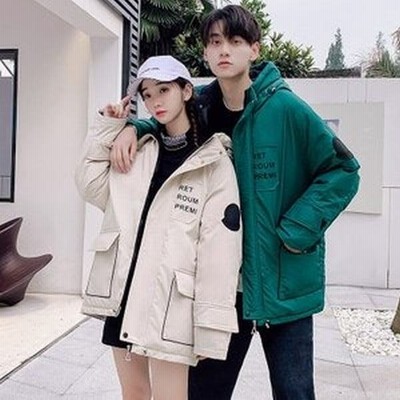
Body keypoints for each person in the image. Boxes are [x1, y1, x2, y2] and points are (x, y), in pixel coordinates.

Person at [109, 5, 361, 400]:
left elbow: (344, 169)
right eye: (214, 42)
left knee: (294, 392)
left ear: (254, 49)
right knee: (205, 393)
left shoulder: (285, 108)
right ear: (205, 53)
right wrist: (133, 127)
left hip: (282, 282)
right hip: (223, 290)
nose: (224, 50)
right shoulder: (201, 108)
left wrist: (296, 229)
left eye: (235, 41)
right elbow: (164, 121)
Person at [75, 55, 242, 400]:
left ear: (186, 91)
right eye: (148, 94)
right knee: (134, 393)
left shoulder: (213, 162)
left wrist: (210, 328)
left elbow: (219, 255)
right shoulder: (139, 150)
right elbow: (90, 185)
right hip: (125, 295)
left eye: (164, 90)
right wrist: (109, 127)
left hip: (170, 307)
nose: (155, 102)